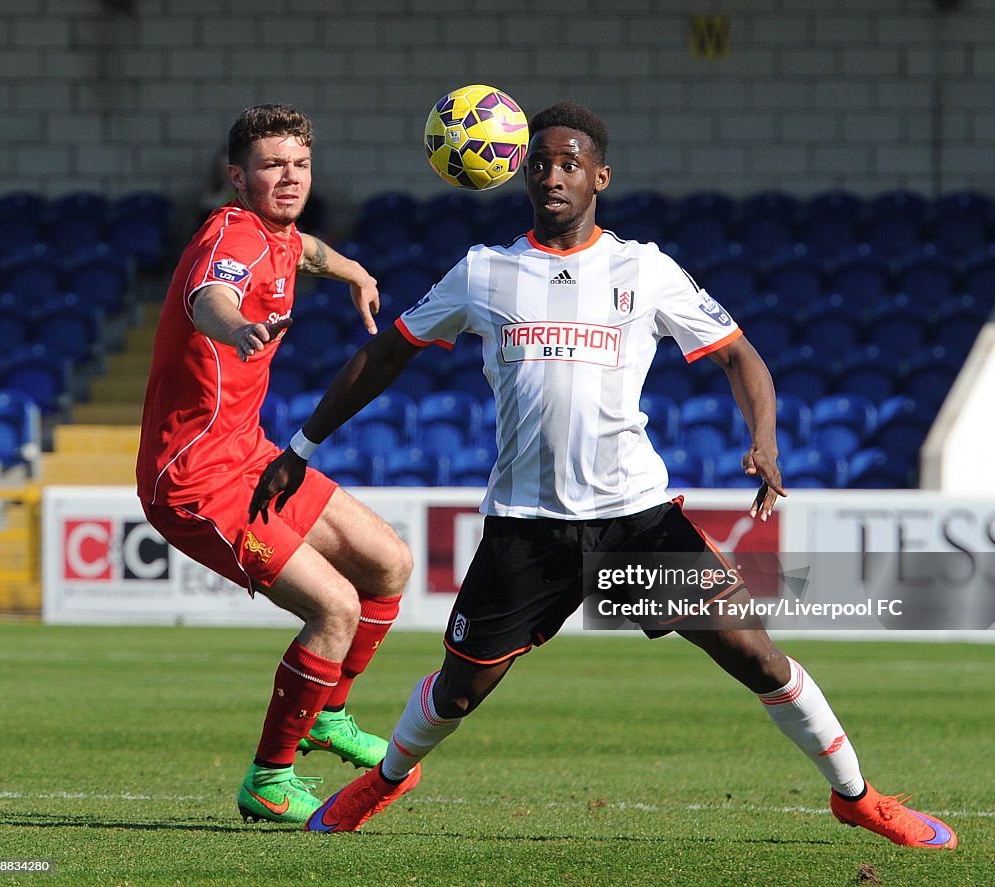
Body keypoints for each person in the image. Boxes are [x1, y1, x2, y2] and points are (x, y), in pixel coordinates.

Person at [248, 101, 958, 848]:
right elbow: (387, 353)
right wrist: (301, 444)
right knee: (459, 691)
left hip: (636, 520)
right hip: (526, 529)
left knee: (757, 653)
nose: (553, 174)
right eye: (540, 162)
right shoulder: (484, 272)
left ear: (599, 176)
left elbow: (737, 353)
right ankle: (385, 780)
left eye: (569, 163)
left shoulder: (643, 268)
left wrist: (765, 441)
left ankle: (859, 796)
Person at [135, 103, 412, 826]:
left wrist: (350, 268)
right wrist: (240, 327)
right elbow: (210, 298)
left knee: (388, 562)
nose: (289, 178)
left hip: (249, 453)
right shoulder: (231, 234)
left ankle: (329, 712)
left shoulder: (278, 234)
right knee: (335, 606)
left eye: (300, 165)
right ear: (237, 176)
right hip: (193, 477)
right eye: (271, 166)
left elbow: (305, 250)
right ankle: (270, 776)